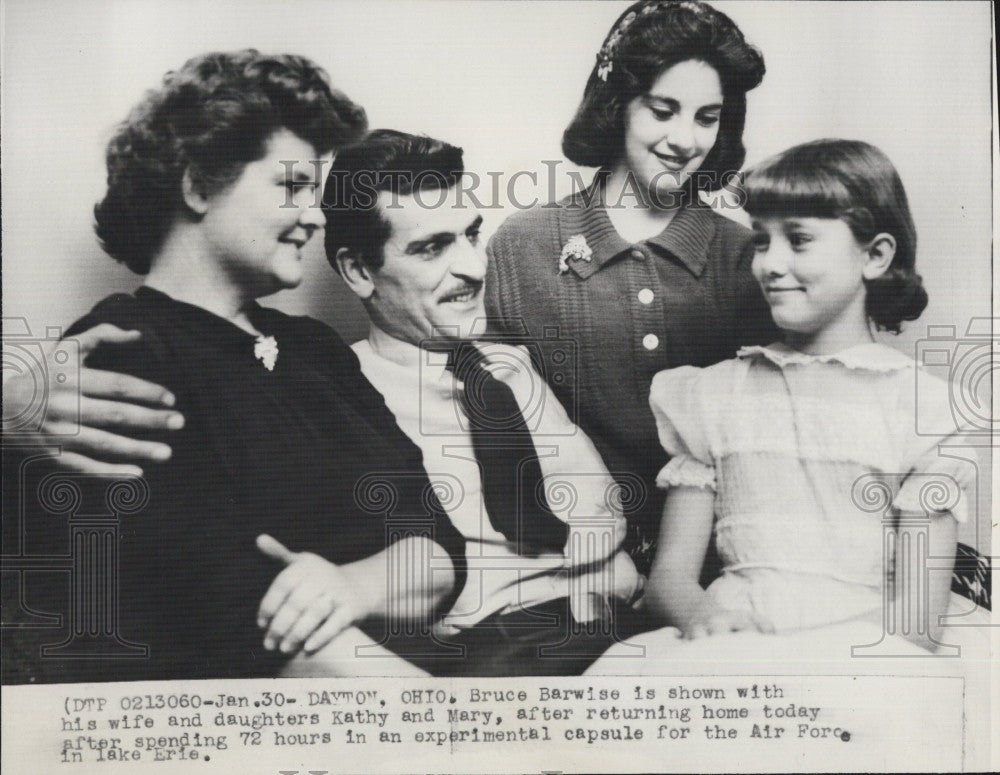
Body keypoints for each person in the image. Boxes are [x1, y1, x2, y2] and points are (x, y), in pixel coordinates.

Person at [2, 50, 467, 683]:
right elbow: (240, 618)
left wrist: (350, 585)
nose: (317, 214)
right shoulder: (122, 349)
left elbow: (440, 547)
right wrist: (452, 727)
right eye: (292, 186)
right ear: (198, 184)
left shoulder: (315, 348)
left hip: (399, 686)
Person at [587, 139, 977, 673]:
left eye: (799, 240)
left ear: (876, 255)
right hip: (733, 637)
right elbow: (670, 583)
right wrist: (707, 620)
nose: (770, 264)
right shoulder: (715, 396)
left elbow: (915, 621)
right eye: (762, 241)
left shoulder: (921, 411)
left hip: (865, 649)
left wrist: (808, 667)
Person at [322, 129, 643, 676]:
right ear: (358, 271)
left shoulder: (507, 369)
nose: (473, 267)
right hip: (494, 659)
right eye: (432, 247)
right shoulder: (341, 394)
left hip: (611, 630)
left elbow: (605, 523)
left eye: (471, 235)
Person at [485, 0, 778, 576]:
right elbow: (494, 422)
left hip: (719, 553)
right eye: (663, 110)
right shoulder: (522, 244)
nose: (685, 140)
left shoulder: (745, 255)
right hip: (564, 553)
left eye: (707, 117)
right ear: (617, 105)